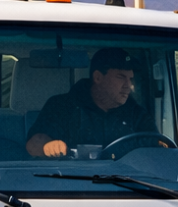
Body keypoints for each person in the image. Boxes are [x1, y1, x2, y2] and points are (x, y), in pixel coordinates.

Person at [26, 47, 162, 157]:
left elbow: (158, 151)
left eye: (130, 79)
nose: (128, 86)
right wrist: (48, 146)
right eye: (121, 77)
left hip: (128, 182)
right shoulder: (62, 106)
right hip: (69, 181)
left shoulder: (137, 115)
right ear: (98, 77)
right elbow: (33, 144)